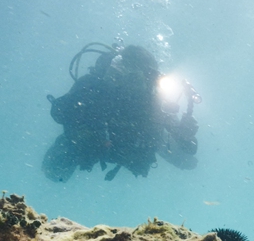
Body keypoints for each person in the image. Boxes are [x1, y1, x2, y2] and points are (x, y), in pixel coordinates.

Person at [43, 43, 200, 182]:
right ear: (119, 68)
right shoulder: (96, 87)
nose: (134, 80)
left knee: (188, 162)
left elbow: (189, 150)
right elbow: (59, 113)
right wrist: (83, 98)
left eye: (145, 75)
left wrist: (184, 135)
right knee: (53, 171)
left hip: (130, 149)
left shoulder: (154, 102)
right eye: (128, 70)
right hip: (92, 144)